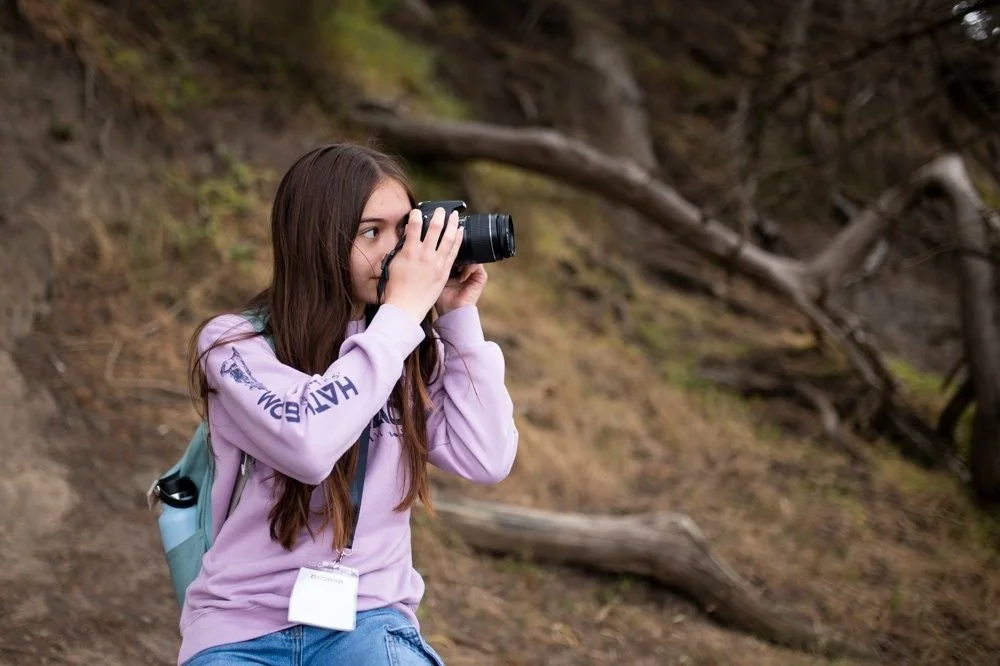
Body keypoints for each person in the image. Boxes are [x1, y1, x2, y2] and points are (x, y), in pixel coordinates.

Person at [178, 143, 519, 665]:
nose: (396, 252)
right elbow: (309, 445)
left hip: (368, 619)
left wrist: (455, 318)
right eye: (370, 232)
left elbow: (486, 458)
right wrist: (403, 314)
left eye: (403, 232)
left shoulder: (409, 349)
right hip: (240, 623)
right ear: (317, 240)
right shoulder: (235, 344)